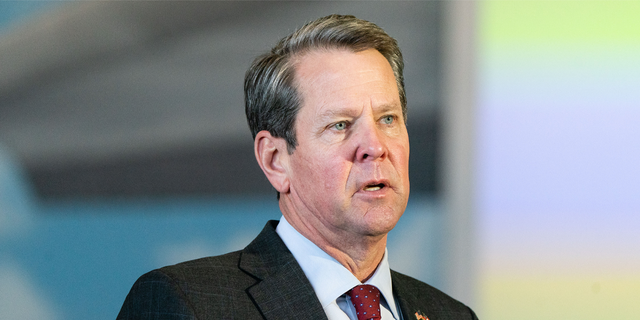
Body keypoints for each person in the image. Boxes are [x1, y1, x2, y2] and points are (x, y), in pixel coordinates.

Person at [117, 14, 478, 320]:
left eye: (387, 119)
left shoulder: (451, 314)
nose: (375, 147)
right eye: (340, 125)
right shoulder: (188, 303)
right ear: (275, 160)